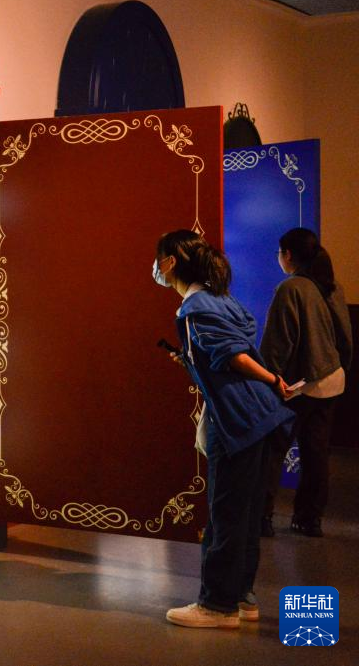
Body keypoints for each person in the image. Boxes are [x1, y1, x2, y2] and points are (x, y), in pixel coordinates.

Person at [154, 230, 294, 629]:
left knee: (225, 515)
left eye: (159, 258)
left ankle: (217, 606)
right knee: (246, 515)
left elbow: (233, 355)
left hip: (237, 419)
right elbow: (234, 343)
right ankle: (242, 598)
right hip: (260, 418)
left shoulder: (194, 307)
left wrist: (271, 378)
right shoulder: (221, 298)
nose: (156, 267)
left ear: (171, 262)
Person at [260, 228, 352, 538]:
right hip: (333, 380)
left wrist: (268, 379)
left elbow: (277, 344)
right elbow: (345, 339)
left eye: (279, 253)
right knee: (316, 452)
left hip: (300, 385)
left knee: (272, 449)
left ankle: (262, 517)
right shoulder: (333, 287)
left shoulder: (291, 288)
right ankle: (309, 519)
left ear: (288, 255)